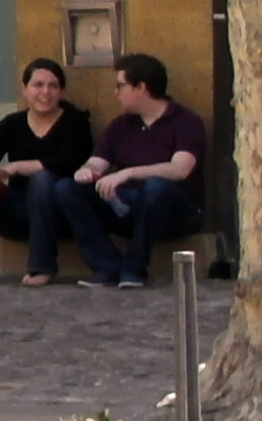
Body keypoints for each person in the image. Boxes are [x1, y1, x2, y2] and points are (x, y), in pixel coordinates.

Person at [64, 55, 209, 288]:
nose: (115, 92)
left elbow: (181, 169)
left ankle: (134, 268)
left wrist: (128, 173)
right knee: (67, 189)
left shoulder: (186, 122)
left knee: (156, 187)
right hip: (127, 206)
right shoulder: (120, 125)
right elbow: (97, 163)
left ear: (141, 87)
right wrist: (87, 171)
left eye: (120, 86)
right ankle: (106, 266)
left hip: (177, 212)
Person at [0, 60, 91, 287]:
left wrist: (13, 168)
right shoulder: (12, 123)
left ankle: (41, 266)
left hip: (59, 213)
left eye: (53, 86)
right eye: (38, 85)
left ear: (62, 91)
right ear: (24, 89)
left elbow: (66, 163)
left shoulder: (76, 124)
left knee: (43, 179)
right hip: (17, 212)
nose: (45, 92)